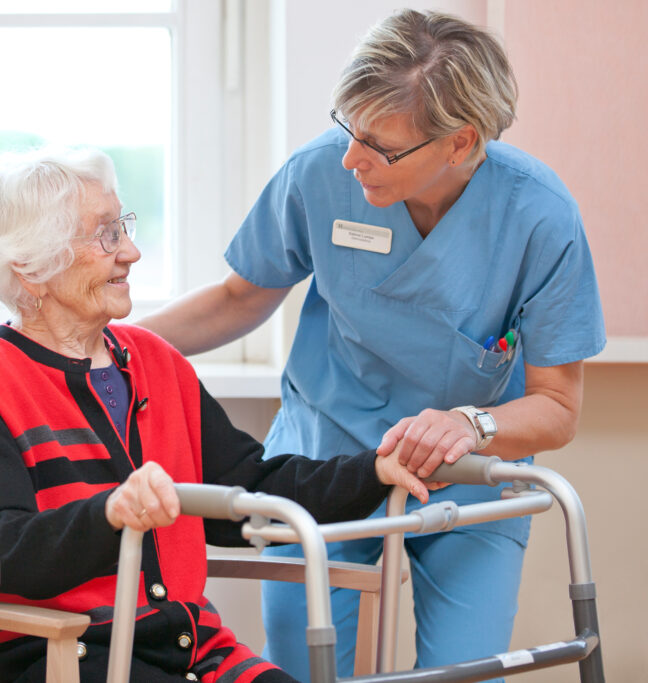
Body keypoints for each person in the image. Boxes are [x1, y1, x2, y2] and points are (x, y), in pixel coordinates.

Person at [138, 9, 606, 682]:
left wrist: (471, 424)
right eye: (348, 129)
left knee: (464, 671)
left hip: (465, 466)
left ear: (459, 142)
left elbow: (557, 404)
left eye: (380, 145)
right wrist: (109, 344)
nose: (353, 158)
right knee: (304, 664)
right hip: (328, 448)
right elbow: (239, 298)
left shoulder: (538, 216)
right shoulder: (321, 175)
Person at [0, 146, 434, 682]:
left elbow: (248, 489)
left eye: (123, 228)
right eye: (106, 235)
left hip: (192, 650)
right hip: (66, 656)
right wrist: (109, 515)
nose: (132, 252)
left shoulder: (154, 361)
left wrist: (374, 469)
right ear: (31, 268)